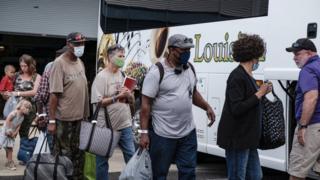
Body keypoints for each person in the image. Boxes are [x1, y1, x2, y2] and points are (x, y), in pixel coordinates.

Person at [139, 34, 215, 180]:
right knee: (158, 174)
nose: (187, 53)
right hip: (163, 135)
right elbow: (145, 105)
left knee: (188, 173)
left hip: (187, 133)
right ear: (172, 50)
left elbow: (193, 93)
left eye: (189, 50)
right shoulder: (157, 72)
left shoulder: (190, 68)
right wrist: (144, 133)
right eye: (183, 50)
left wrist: (207, 107)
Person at [217, 34, 271, 180]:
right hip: (237, 138)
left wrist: (263, 92)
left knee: (255, 176)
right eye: (258, 56)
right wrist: (259, 93)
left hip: (249, 138)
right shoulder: (237, 76)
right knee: (237, 176)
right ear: (254, 56)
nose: (258, 60)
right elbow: (237, 108)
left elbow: (251, 101)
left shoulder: (248, 75)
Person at [48, 32, 89, 180]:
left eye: (82, 43)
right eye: (77, 44)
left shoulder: (80, 62)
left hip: (79, 119)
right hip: (63, 120)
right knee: (64, 155)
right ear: (68, 44)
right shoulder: (59, 63)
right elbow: (54, 95)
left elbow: (82, 89)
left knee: (79, 153)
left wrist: (85, 115)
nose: (80, 47)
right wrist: (52, 121)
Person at [91, 44, 135, 180]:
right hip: (105, 127)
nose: (122, 59)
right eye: (119, 56)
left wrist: (128, 95)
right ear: (110, 57)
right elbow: (98, 102)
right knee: (102, 162)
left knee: (132, 157)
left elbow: (131, 99)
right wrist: (118, 97)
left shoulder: (123, 75)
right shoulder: (101, 77)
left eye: (123, 56)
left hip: (124, 124)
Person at [286, 38, 320, 180]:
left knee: (297, 174)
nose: (294, 58)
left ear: (310, 53)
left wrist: (303, 125)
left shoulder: (308, 70)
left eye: (298, 54)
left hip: (312, 126)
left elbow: (311, 97)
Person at [34, 46, 67, 150]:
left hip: (68, 119)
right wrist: (41, 115)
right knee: (51, 151)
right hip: (52, 119)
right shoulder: (50, 69)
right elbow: (40, 97)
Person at [6, 54, 41, 139]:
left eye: (25, 66)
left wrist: (17, 93)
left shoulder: (37, 76)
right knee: (9, 131)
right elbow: (8, 86)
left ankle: (23, 151)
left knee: (24, 133)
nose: (23, 68)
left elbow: (34, 92)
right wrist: (7, 93)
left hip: (28, 108)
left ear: (30, 65)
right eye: (21, 66)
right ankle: (9, 151)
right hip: (15, 106)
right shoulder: (16, 75)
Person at [0, 99, 32, 170]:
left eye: (28, 109)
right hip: (5, 131)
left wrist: (15, 133)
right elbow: (8, 120)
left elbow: (19, 125)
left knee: (10, 148)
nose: (27, 109)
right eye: (26, 107)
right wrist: (9, 130)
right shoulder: (14, 113)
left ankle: (9, 162)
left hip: (12, 133)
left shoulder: (22, 117)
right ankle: (9, 161)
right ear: (20, 106)